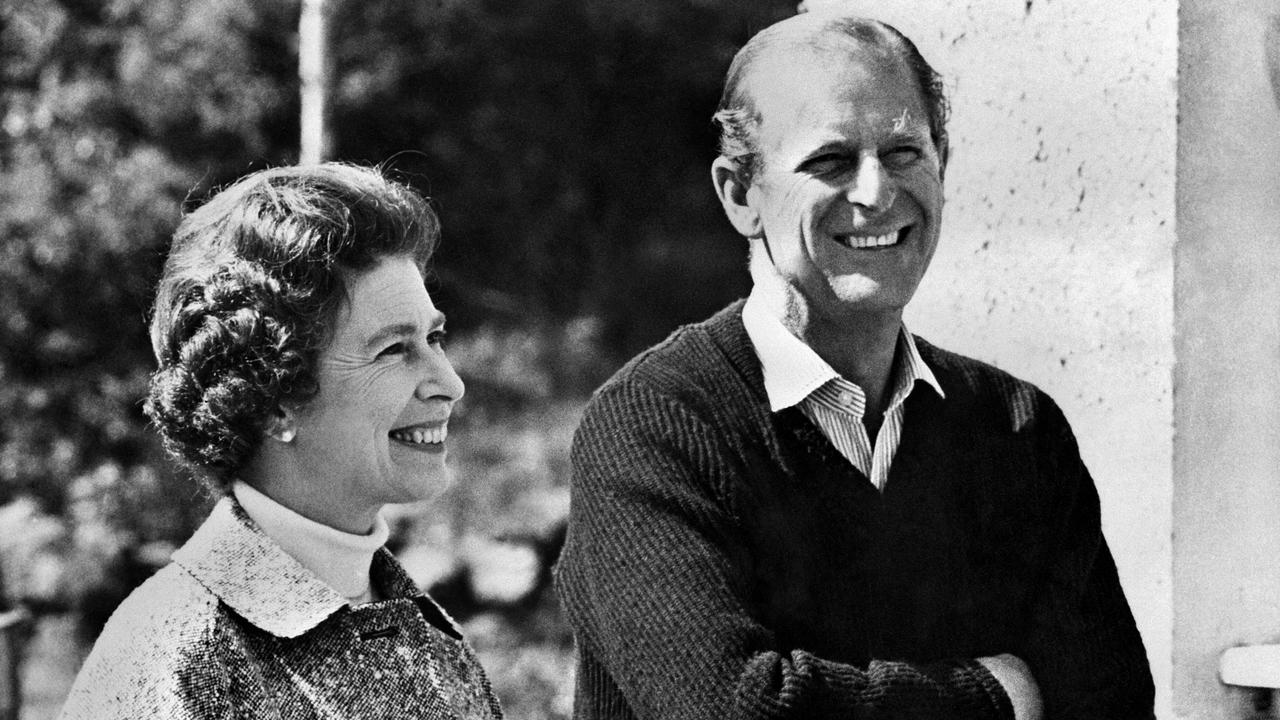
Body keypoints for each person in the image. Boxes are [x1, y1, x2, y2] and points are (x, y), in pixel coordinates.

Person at [554, 12, 1154, 720]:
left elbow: (1109, 705)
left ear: (943, 162)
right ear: (741, 194)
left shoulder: (1017, 429)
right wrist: (997, 694)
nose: (875, 192)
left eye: (904, 151)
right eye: (830, 161)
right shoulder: (655, 428)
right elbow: (733, 711)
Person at [58, 164, 503, 719]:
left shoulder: (426, 632)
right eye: (393, 350)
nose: (450, 384)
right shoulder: (175, 659)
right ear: (273, 400)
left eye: (434, 337)